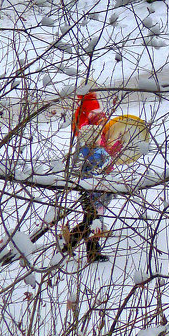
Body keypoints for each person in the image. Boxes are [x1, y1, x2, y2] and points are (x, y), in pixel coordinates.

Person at [62, 111, 113, 263]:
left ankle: (74, 245)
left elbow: (75, 170)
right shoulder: (100, 153)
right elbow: (107, 168)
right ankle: (83, 249)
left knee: (90, 220)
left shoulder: (80, 153)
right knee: (91, 222)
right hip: (96, 194)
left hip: (83, 192)